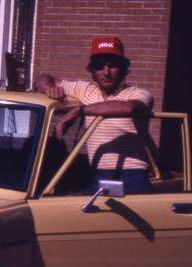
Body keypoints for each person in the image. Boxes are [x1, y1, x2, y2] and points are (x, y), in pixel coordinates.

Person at [34, 37, 154, 193]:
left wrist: (79, 111)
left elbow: (130, 108)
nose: (106, 72)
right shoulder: (86, 90)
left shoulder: (139, 94)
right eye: (99, 66)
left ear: (123, 69)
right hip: (98, 174)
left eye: (112, 65)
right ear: (92, 71)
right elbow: (42, 78)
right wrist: (49, 87)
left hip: (132, 175)